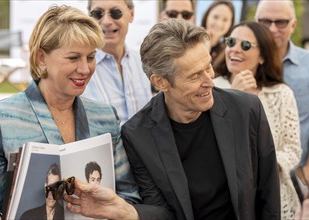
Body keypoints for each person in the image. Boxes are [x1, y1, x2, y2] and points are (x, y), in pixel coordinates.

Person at [64, 19, 280, 220]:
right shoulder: (137, 135)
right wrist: (127, 212)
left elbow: (268, 194)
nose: (210, 81)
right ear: (161, 82)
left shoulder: (246, 110)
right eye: (195, 76)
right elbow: (162, 211)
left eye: (208, 67)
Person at [0, 5, 140, 219]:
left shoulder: (105, 118)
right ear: (42, 58)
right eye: (73, 58)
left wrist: (115, 208)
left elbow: (129, 197)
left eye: (90, 57)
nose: (85, 69)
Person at [213, 21, 302, 219]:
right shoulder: (210, 88)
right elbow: (210, 144)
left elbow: (292, 150)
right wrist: (233, 95)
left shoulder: (281, 94)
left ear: (262, 56)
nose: (234, 49)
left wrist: (260, 166)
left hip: (273, 198)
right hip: (224, 200)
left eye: (245, 45)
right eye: (231, 42)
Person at [255, 0, 309, 188]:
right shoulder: (242, 61)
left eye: (280, 22)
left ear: (294, 25)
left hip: (297, 177)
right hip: (252, 178)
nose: (272, 29)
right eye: (265, 22)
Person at [83, 0, 152, 125]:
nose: (106, 22)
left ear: (131, 14)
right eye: (98, 13)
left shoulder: (144, 63)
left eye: (115, 13)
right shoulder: (79, 69)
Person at [200, 0, 235, 71]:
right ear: (207, 16)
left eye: (225, 20)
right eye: (215, 17)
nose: (219, 23)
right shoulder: (190, 41)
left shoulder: (228, 52)